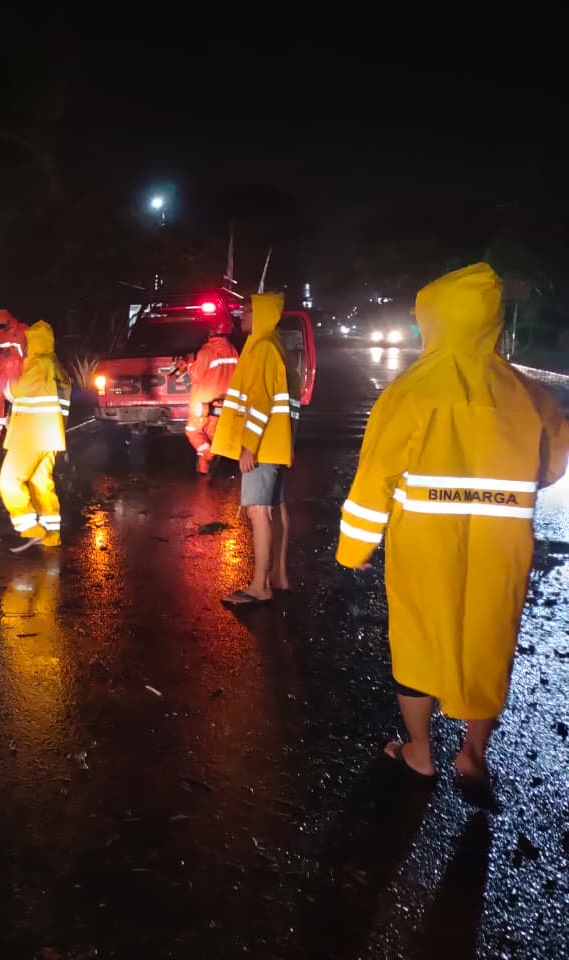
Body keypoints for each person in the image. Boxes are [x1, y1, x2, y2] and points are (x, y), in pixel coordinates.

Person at [336, 263, 568, 786]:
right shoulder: (527, 393)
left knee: (418, 642)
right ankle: (472, 754)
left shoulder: (410, 390)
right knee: (488, 644)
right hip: (500, 547)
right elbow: (552, 466)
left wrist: (356, 546)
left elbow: (376, 475)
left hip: (423, 548)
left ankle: (420, 752)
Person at [211, 292, 300, 604]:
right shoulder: (274, 346)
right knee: (275, 507)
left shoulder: (262, 348)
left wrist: (249, 446)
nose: (241, 315)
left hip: (262, 447)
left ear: (261, 314)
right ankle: (278, 576)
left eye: (247, 310)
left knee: (258, 511)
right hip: (275, 445)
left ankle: (259, 586)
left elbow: (260, 404)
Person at [0, 320, 71, 551]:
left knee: (9, 482)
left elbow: (16, 392)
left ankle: (30, 528)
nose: (25, 346)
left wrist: (7, 378)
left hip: (30, 435)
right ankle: (51, 535)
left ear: (34, 342)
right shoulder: (56, 367)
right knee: (41, 484)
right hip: (51, 437)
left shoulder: (37, 363)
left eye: (27, 341)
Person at [184, 310, 240, 474]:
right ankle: (208, 464)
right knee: (215, 435)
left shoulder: (207, 351)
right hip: (224, 402)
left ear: (211, 329)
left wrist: (190, 362)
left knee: (193, 431)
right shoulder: (233, 350)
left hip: (206, 403)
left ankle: (206, 460)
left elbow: (195, 374)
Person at [0, 309, 28, 446]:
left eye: (2, 325)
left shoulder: (22, 329)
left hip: (18, 373)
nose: (0, 328)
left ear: (9, 322)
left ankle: (21, 435)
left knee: (21, 401)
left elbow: (30, 347)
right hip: (2, 373)